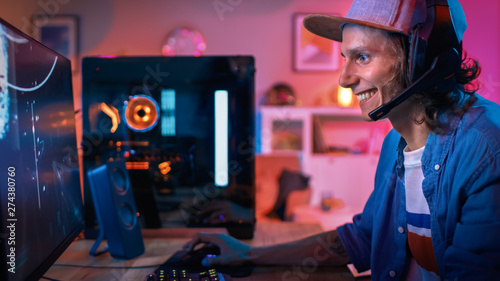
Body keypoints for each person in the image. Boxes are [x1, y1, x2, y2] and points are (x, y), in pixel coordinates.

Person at [184, 0, 500, 280]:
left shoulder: (486, 150)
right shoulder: (395, 145)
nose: (344, 78)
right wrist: (246, 253)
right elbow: (362, 238)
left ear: (424, 59)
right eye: (345, 58)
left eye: (362, 57)